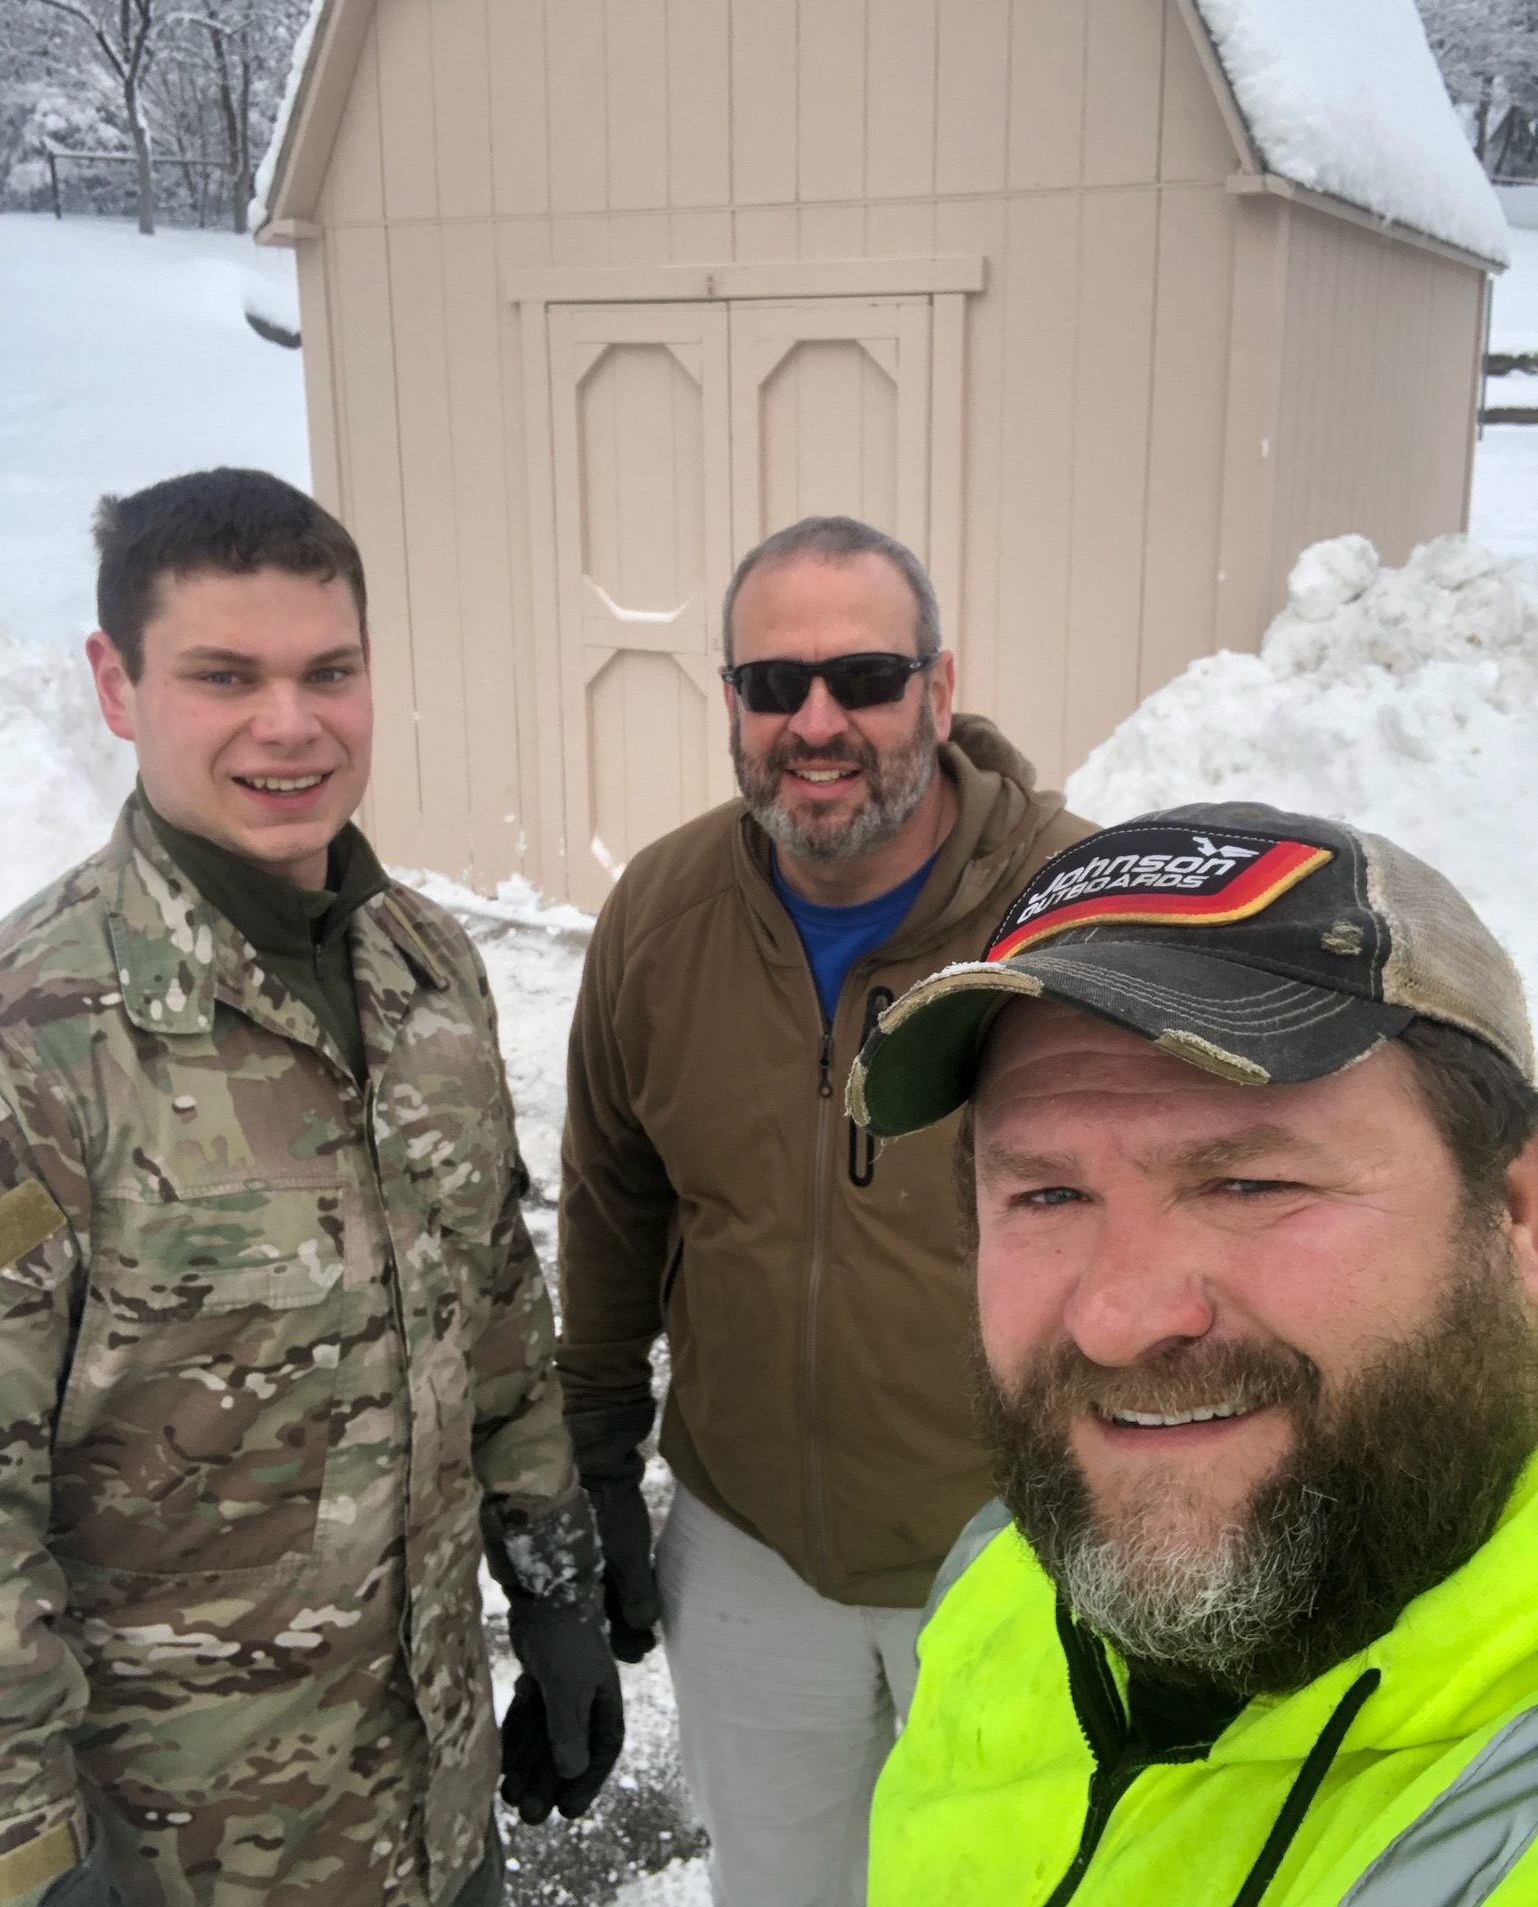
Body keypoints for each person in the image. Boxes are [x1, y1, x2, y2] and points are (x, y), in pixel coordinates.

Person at [0, 470, 622, 1907]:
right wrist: (33, 1859)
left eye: (327, 671)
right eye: (226, 675)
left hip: (434, 1812)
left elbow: (497, 1325)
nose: (292, 724)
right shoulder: (42, 1044)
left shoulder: (426, 970)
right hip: (179, 1859)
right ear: (116, 681)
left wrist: (556, 1593)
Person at [846, 802, 1538, 1906]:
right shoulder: (1004, 1571)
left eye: (1248, 1182)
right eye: (1047, 1192)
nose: (1116, 1318)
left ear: (1512, 1211)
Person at [557, 514, 1091, 1905]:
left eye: (861, 677)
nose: (815, 721)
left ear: (937, 684)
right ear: (729, 703)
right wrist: (600, 1460)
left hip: (1016, 1556)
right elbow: (613, 1201)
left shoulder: (1078, 920)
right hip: (749, 1553)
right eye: (768, 684)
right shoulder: (661, 917)